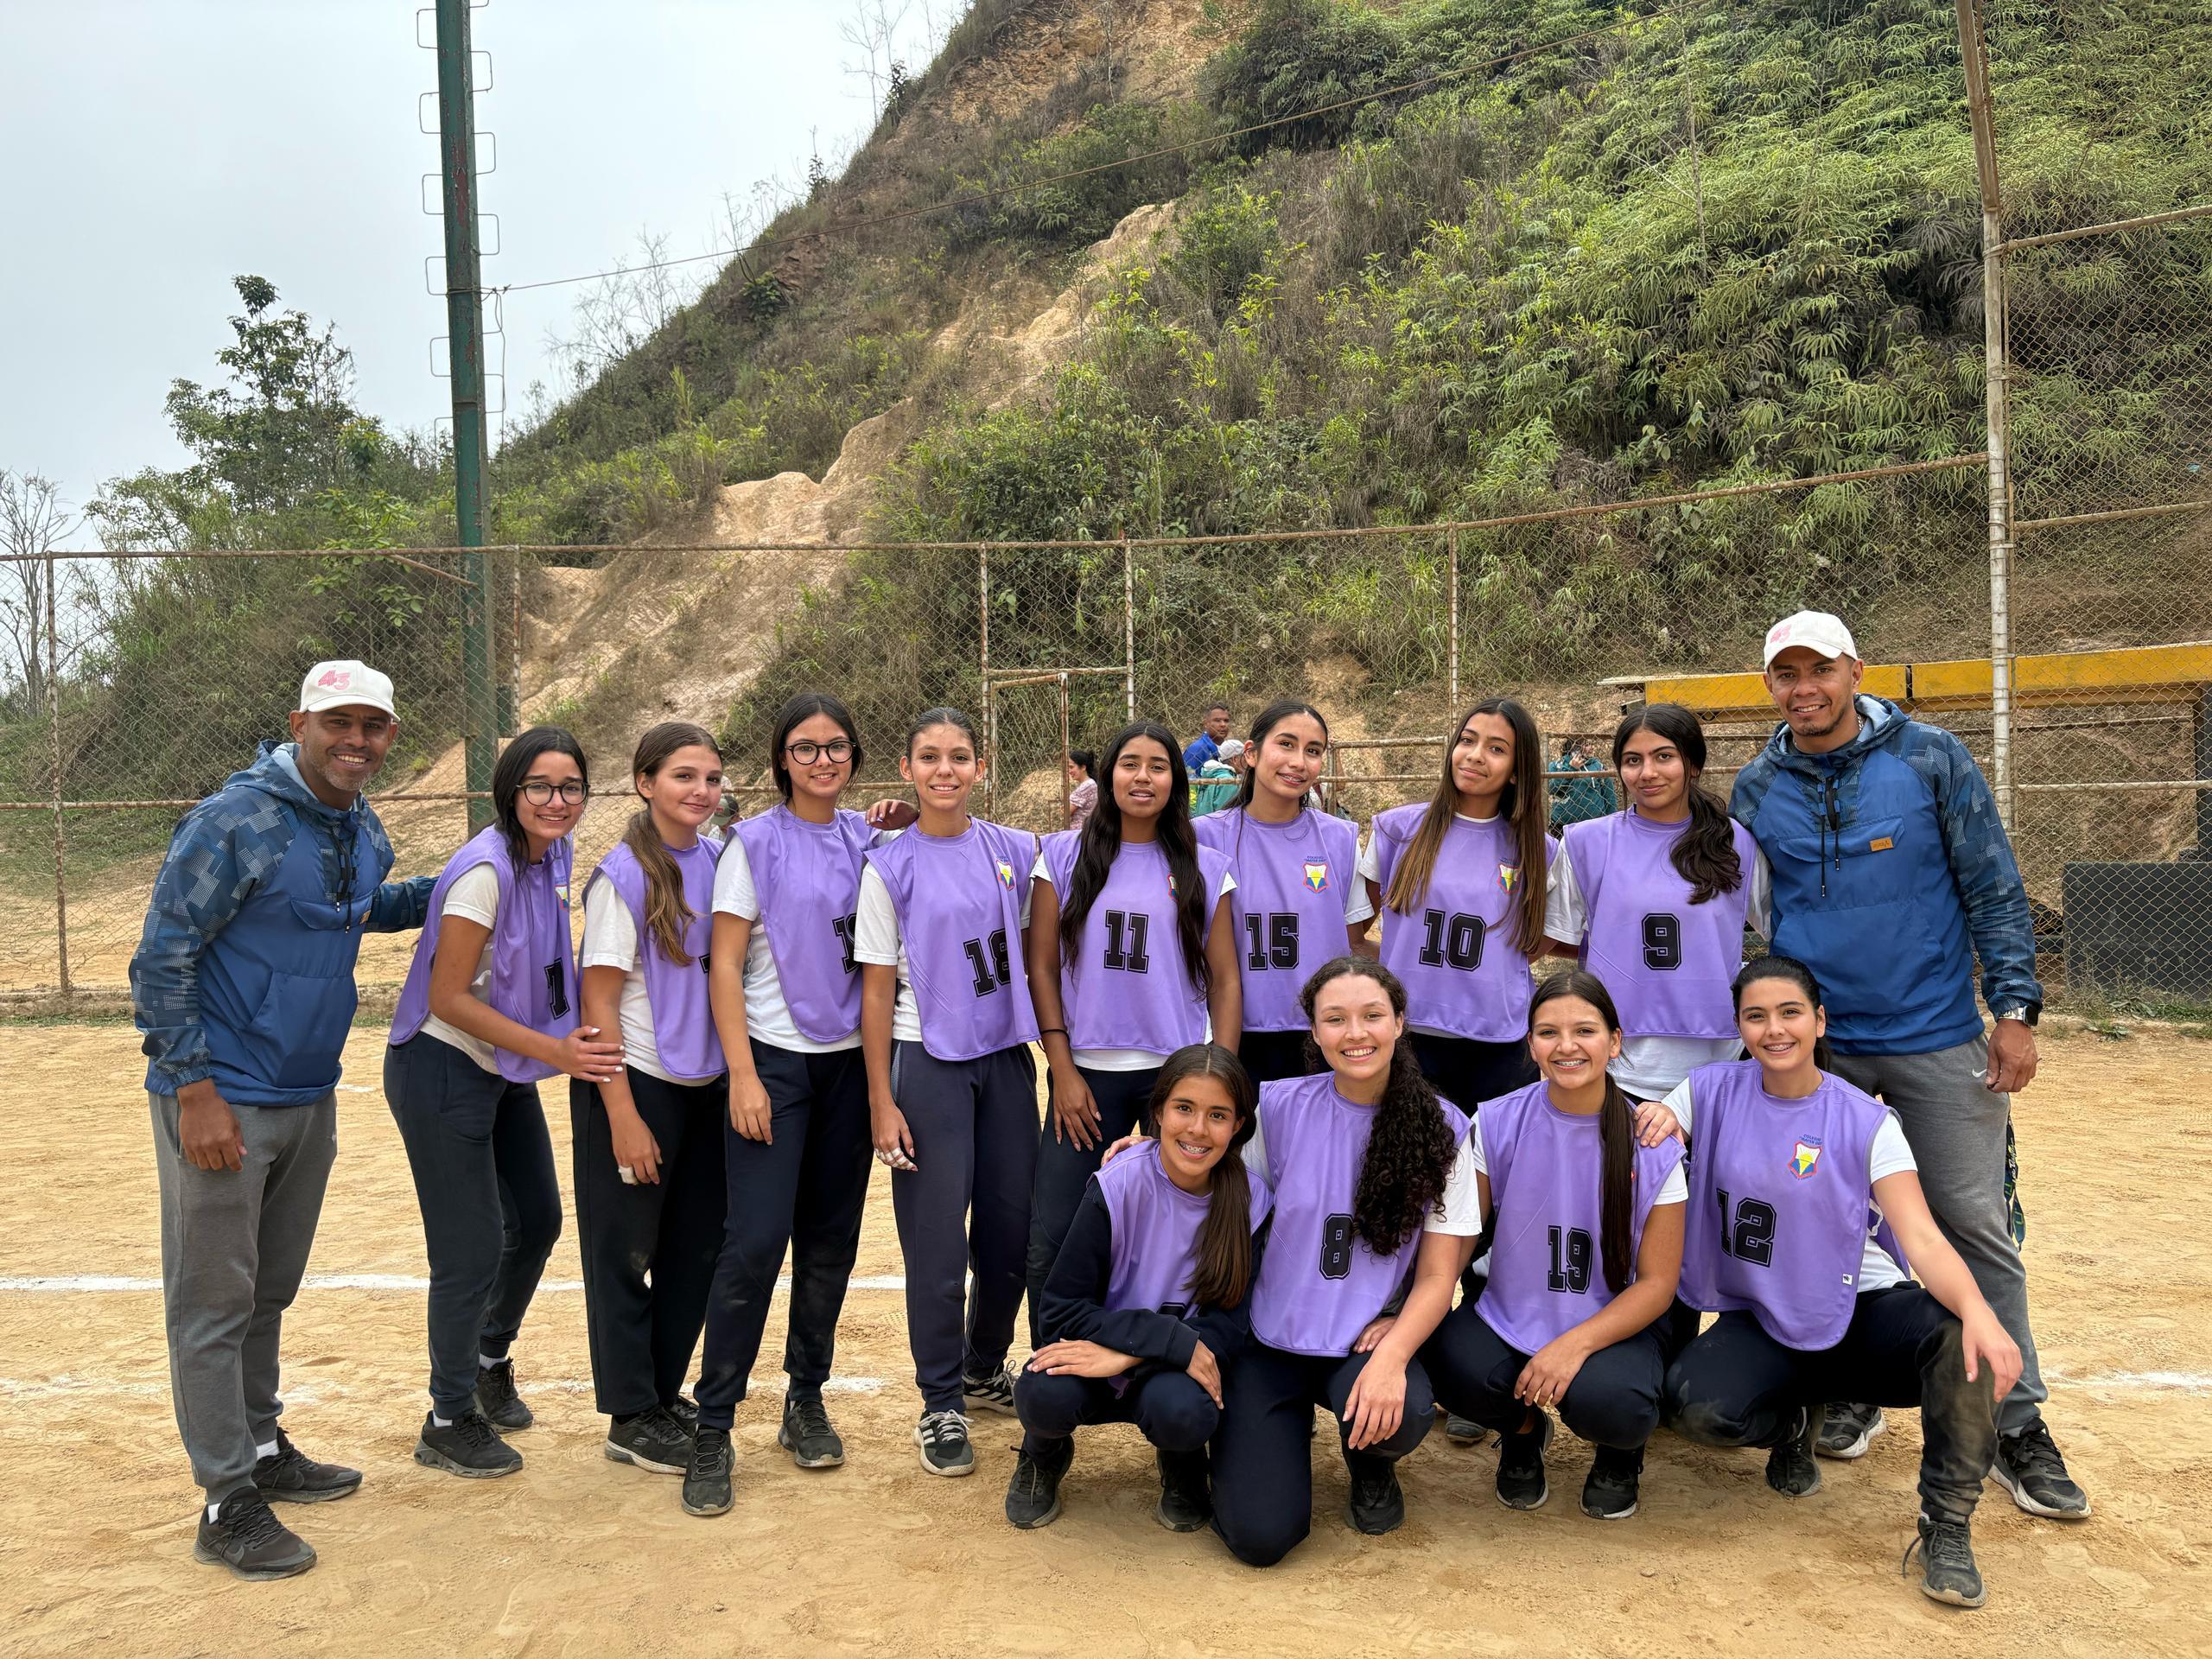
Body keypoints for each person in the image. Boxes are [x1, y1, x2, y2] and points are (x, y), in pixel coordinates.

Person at [1732, 610, 2086, 1514]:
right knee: (1834, 1226)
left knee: (1971, 1224)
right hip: (1823, 1053)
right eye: (1784, 674)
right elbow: (1739, 921)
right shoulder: (1757, 785)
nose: (1801, 688)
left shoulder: (1931, 758)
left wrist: (2011, 1009)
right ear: (1769, 686)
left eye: (1818, 669)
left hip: (1935, 1035)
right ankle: (1855, 1388)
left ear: (1854, 671)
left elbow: (1992, 885)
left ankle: (2014, 1423)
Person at [131, 660, 435, 1580]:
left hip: (307, 1092)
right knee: (213, 1302)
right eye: (339, 723)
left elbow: (348, 912)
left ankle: (261, 1448)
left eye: (373, 728)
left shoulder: (359, 825)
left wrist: (452, 883)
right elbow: (161, 958)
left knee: (266, 1291)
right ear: (299, 722)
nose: (357, 742)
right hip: (223, 1098)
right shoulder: (234, 822)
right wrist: (193, 1091)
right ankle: (227, 1497)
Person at [1654, 957, 2023, 1609]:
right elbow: (1653, 1138)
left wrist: (1982, 1311)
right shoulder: (1706, 1090)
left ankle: (1947, 1522)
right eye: (1756, 1016)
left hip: (1863, 1309)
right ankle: (1794, 1422)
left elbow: (1924, 1239)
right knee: (1696, 1409)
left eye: (1790, 1013)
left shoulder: (1867, 1120)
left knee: (1962, 1338)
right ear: (1738, 1026)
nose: (1775, 1030)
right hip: (1767, 1315)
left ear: (1819, 1021)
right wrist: (1650, 1124)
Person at [689, 693, 909, 1516]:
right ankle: (714, 1426)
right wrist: (742, 1074)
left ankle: (804, 1398)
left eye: (838, 747)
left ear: (854, 757)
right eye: (806, 748)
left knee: (829, 1242)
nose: (824, 760)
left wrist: (914, 806)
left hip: (851, 1068)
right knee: (751, 1246)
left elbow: (936, 837)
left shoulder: (868, 839)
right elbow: (724, 966)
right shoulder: (752, 845)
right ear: (782, 758)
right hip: (776, 1067)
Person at [385, 725, 619, 1479]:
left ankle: (488, 1361)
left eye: (571, 787)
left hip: (504, 1061)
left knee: (540, 1219)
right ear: (510, 793)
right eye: (540, 788)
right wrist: (557, 1050)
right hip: (443, 1062)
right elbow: (449, 997)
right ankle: (447, 1418)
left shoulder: (554, 853)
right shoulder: (484, 871)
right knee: (470, 1247)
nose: (558, 802)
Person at [1202, 958, 1478, 1566]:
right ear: (1316, 1032)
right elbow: (1194, 1159)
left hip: (1360, 1347)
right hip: (1271, 1340)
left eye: (1372, 1015)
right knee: (1260, 1538)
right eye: (1336, 1019)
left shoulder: (1446, 1127)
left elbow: (1439, 1275)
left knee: (1401, 1412)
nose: (1356, 1033)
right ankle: (1270, 1439)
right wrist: (1142, 1147)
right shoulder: (1273, 1109)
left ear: (1399, 1023)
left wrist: (1394, 1356)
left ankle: (1371, 1463)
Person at [1422, 972, 1685, 1520]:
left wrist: (1575, 1346)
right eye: (1549, 1032)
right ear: (1531, 1044)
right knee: (1445, 1363)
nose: (1566, 1046)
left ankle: (1619, 1454)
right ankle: (1523, 1432)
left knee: (1616, 1403)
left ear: (1615, 1042)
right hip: (1512, 1311)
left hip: (1611, 1321)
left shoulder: (1650, 1139)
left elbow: (1659, 1285)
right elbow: (1457, 1238)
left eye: (1584, 1030)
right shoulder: (1496, 1121)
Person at [858, 707, 1042, 1478]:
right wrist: (880, 1099)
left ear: (981, 765)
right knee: (935, 1243)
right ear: (907, 768)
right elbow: (873, 994)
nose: (944, 770)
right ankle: (939, 1401)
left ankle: (980, 1364)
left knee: (1009, 1236)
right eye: (928, 756)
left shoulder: (1014, 848)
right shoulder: (887, 864)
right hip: (926, 1057)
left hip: (1003, 1058)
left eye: (958, 756)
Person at [1025, 720, 1242, 1350]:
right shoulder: (1062, 855)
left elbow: (1226, 982)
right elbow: (1040, 964)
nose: (1142, 777)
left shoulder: (1205, 863)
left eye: (1157, 766)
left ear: (1176, 780)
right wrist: (1061, 1068)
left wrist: (1217, 1074)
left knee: (1180, 1235)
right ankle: (1051, 1382)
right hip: (1086, 1075)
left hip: (1176, 1080)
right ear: (1108, 774)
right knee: (1055, 1235)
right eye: (1129, 764)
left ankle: (1175, 1370)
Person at [1007, 1044, 1271, 1532]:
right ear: (1158, 1113)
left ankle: (1181, 1459)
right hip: (1107, 1355)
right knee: (1041, 1393)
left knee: (1186, 1411)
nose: (1197, 1129)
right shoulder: (1118, 1182)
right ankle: (1043, 1452)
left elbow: (1234, 1328)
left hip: (1165, 1372)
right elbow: (1059, 1310)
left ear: (1237, 1126)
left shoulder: (1251, 1200)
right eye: (1183, 1109)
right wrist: (1158, 1341)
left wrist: (1133, 1355)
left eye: (1218, 1115)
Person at [573, 722, 729, 1482]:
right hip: (636, 1083)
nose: (700, 791)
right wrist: (623, 1114)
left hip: (706, 1085)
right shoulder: (624, 875)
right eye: (682, 777)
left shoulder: (721, 856)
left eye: (710, 778)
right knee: (623, 1254)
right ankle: (630, 1413)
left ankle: (662, 1395)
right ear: (644, 783)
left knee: (694, 1251)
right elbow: (596, 1002)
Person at [1546, 703, 1770, 1103]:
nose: (1647, 772)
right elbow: (1554, 936)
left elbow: (1779, 929)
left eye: (1663, 756)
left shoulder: (1734, 842)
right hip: (1617, 1060)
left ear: (1693, 765)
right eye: (1633, 760)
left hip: (1719, 1059)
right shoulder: (1586, 843)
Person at [1357, 697, 1554, 1111]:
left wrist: (1491, 966)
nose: (1475, 756)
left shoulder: (1539, 849)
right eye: (1467, 740)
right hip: (1408, 1035)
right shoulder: (1398, 829)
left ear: (1518, 770)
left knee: (1491, 1168)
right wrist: (1398, 959)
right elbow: (1354, 932)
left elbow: (1539, 940)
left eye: (1497, 749)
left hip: (1498, 1042)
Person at [1194, 702, 1373, 1084]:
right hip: (1231, 1033)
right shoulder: (1205, 837)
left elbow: (1355, 940)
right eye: (1286, 745)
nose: (1299, 761)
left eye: (1313, 751)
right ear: (1252, 754)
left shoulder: (1340, 838)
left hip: (1323, 1035)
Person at [1546, 737, 1616, 832]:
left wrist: (1612, 823)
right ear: (1574, 748)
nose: (1591, 748)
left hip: (1594, 825)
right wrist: (1570, 768)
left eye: (1591, 744)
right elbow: (1552, 789)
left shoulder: (1598, 766)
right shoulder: (1557, 766)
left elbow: (1609, 797)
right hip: (1562, 827)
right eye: (1587, 745)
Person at [1192, 736, 1243, 817]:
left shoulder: (1209, 775)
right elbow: (1226, 817)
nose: (1247, 761)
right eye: (1244, 757)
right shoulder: (1229, 781)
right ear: (1235, 759)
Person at [1183, 702, 1232, 772]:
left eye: (1226, 721)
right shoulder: (1197, 749)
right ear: (1206, 723)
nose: (1223, 724)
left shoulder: (1229, 749)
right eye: (1217, 720)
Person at [1065, 749, 1098, 831]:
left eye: (1071, 767)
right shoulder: (1088, 784)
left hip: (1080, 833)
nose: (1069, 771)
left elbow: (1067, 812)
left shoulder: (1088, 785)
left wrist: (1065, 808)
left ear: (1083, 767)